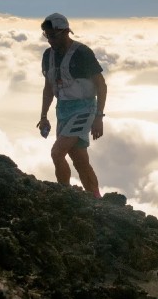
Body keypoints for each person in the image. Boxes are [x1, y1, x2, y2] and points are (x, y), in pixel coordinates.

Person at [37, 13, 107, 197]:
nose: (50, 39)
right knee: (79, 159)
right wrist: (43, 117)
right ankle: (96, 198)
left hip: (84, 109)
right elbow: (48, 88)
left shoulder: (82, 53)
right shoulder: (48, 56)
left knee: (57, 153)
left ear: (65, 32)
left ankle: (65, 196)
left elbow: (101, 84)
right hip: (63, 109)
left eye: (53, 35)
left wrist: (99, 116)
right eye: (47, 35)